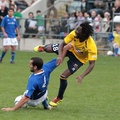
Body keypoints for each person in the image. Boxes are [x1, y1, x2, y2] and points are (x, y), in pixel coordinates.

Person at [34, 21, 97, 107]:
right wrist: (60, 56)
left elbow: (92, 64)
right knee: (47, 49)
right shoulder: (74, 33)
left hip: (78, 59)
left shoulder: (91, 46)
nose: (75, 31)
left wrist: (82, 76)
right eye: (76, 28)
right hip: (70, 49)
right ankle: (44, 47)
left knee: (63, 76)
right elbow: (62, 44)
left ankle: (59, 98)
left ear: (83, 35)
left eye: (78, 31)